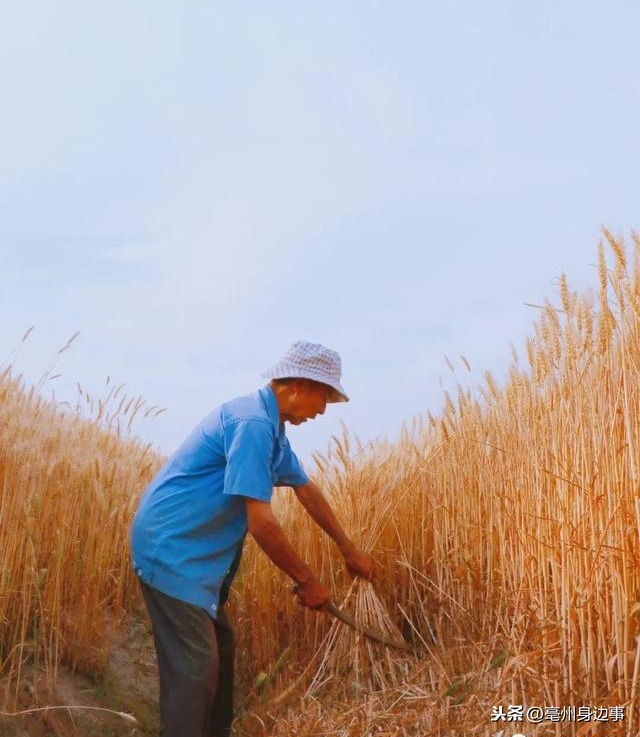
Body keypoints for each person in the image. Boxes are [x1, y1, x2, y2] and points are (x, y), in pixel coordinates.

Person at [129, 340, 377, 737]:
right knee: (195, 671)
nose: (323, 409)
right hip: (173, 551)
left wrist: (347, 547)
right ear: (297, 384)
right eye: (323, 396)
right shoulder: (253, 424)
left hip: (198, 558)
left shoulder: (271, 428)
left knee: (219, 657)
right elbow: (261, 523)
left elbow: (306, 489)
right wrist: (308, 581)